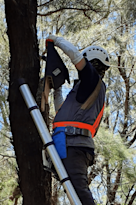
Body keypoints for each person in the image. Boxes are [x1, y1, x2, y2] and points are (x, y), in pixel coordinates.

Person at [46, 35, 110, 205]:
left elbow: (75, 56)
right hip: (66, 142)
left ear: (92, 62)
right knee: (74, 190)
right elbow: (61, 111)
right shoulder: (85, 90)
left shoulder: (92, 80)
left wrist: (56, 41)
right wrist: (57, 89)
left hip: (74, 145)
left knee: (79, 191)